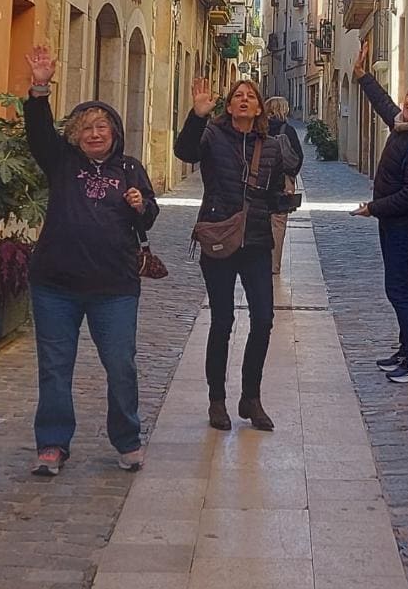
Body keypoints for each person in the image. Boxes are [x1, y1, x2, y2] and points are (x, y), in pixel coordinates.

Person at [22, 45, 159, 477]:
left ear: (114, 132)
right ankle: (52, 443)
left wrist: (141, 205)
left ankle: (127, 439)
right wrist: (40, 88)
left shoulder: (130, 169)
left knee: (121, 366)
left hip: (114, 288)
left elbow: (149, 218)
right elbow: (37, 133)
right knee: (55, 367)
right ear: (75, 135)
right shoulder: (61, 163)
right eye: (85, 128)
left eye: (101, 127)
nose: (94, 134)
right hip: (55, 285)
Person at [174, 77, 286, 431]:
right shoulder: (212, 135)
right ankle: (217, 400)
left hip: (256, 242)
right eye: (238, 95)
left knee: (264, 319)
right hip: (220, 238)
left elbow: (276, 188)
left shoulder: (270, 146)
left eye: (250, 96)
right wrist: (197, 115)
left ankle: (251, 397)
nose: (244, 100)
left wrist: (281, 203)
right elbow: (185, 152)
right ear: (230, 104)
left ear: (259, 107)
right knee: (222, 321)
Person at [351, 40, 408, 384]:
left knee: (399, 289)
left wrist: (373, 208)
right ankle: (406, 352)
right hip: (393, 222)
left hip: (404, 224)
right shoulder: (403, 126)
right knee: (398, 287)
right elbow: (384, 104)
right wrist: (363, 76)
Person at [264, 96, 304, 275]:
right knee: (278, 224)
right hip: (281, 183)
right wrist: (291, 176)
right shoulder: (288, 130)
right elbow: (298, 157)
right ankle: (274, 265)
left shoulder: (259, 128)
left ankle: (259, 262)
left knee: (258, 220)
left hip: (260, 181)